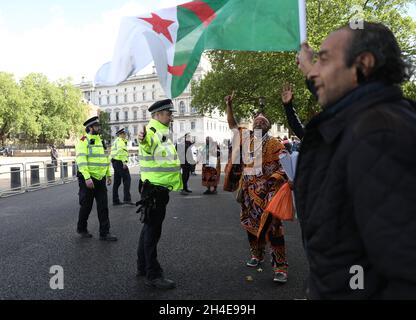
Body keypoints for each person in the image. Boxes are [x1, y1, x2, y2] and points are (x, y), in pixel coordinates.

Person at [294, 22, 416, 299]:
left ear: (363, 63)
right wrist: (308, 65)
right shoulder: (365, 115)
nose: (315, 71)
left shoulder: (378, 136)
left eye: (323, 60)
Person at [225, 92, 290, 283]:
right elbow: (232, 125)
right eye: (257, 121)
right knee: (251, 227)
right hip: (249, 193)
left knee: (274, 230)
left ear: (268, 126)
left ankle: (281, 267)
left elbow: (286, 165)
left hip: (270, 193)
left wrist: (275, 178)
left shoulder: (275, 143)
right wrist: (229, 106)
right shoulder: (247, 139)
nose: (259, 123)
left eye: (263, 122)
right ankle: (257, 256)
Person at [136, 99, 182, 290]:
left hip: (157, 188)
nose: (171, 116)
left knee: (148, 228)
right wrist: (143, 138)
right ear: (157, 115)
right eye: (167, 113)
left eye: (170, 113)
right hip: (154, 189)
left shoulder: (163, 132)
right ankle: (153, 274)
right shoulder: (153, 132)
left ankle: (142, 266)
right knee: (153, 231)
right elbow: (147, 142)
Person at [75, 116, 117, 241]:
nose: (99, 128)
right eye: (97, 126)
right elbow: (81, 161)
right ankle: (81, 228)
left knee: (103, 206)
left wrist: (108, 174)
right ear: (90, 128)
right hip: (88, 179)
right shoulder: (83, 140)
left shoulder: (100, 141)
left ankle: (104, 232)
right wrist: (87, 178)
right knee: (86, 206)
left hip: (100, 178)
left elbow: (104, 160)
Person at [110, 128, 133, 205]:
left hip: (115, 162)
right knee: (127, 179)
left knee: (117, 182)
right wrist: (124, 162)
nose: (125, 135)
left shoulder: (115, 141)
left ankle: (115, 200)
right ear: (120, 134)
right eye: (124, 134)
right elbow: (121, 152)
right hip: (120, 162)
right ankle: (127, 199)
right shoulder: (120, 141)